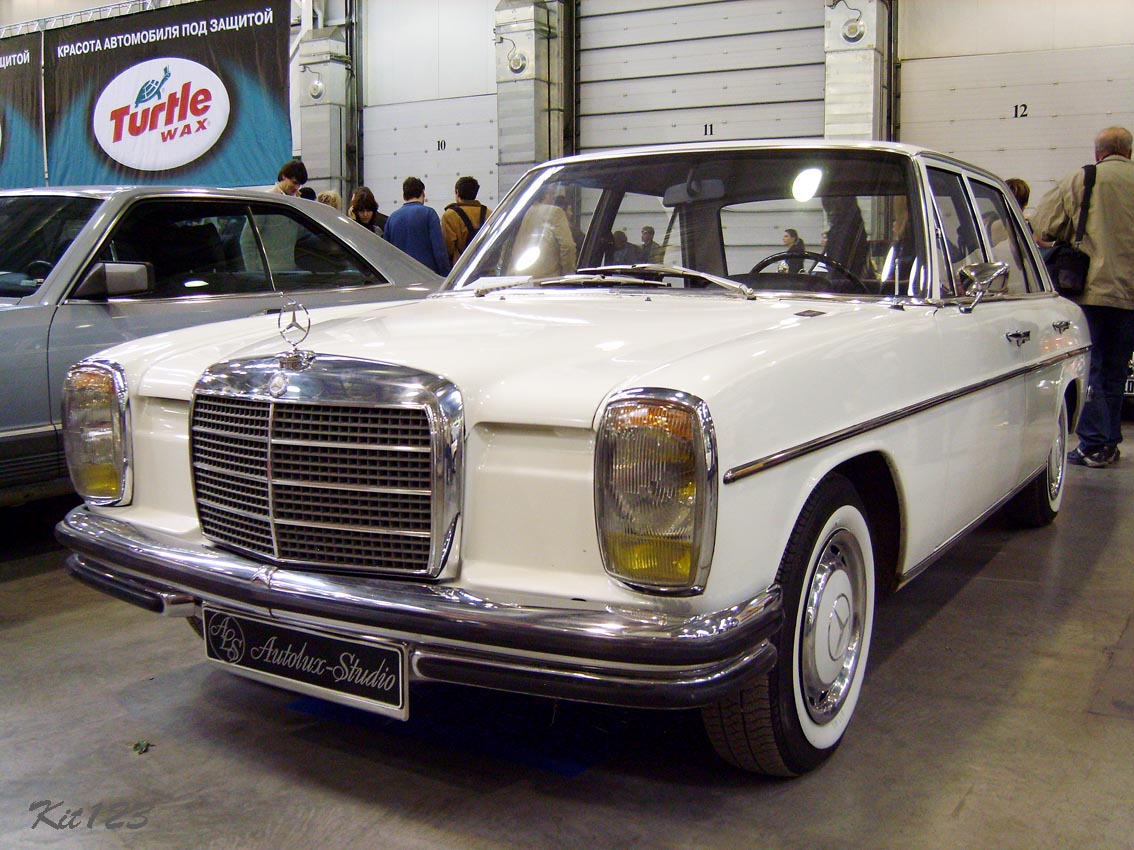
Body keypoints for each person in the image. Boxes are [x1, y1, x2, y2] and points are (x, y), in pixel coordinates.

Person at [1032, 127, 1134, 468]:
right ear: (1129, 153)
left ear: (1097, 153)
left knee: (1092, 367)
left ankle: (1093, 445)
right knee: (1117, 370)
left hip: (1091, 291)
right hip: (1130, 297)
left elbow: (1044, 225)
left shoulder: (1081, 179)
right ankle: (1108, 441)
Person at [383, 177, 451, 274]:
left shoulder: (392, 218)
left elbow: (387, 253)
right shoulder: (429, 214)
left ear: (404, 196)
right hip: (427, 275)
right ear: (423, 194)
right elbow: (439, 250)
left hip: (400, 275)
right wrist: (446, 274)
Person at [510, 185, 576, 278]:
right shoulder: (555, 212)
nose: (553, 200)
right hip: (547, 280)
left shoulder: (523, 213)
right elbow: (568, 246)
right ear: (546, 195)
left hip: (520, 278)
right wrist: (568, 276)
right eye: (552, 195)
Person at [441, 176, 492, 264]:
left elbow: (449, 247)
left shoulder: (449, 215)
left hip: (461, 266)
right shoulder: (489, 213)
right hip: (485, 264)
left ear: (457, 192)